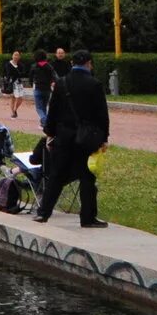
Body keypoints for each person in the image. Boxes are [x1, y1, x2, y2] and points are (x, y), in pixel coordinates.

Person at [34, 49, 108, 228]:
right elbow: (102, 114)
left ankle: (43, 213)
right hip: (86, 138)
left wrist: (50, 133)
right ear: (89, 63)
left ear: (72, 63)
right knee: (87, 178)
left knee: (56, 175)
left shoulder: (61, 83)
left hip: (63, 136)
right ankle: (87, 218)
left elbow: (53, 111)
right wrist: (103, 137)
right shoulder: (95, 84)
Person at [31, 49, 62, 129]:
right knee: (44, 106)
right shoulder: (49, 66)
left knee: (39, 108)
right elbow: (55, 76)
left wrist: (32, 82)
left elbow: (30, 77)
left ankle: (45, 122)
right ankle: (43, 124)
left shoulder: (34, 66)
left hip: (38, 88)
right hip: (47, 89)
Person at [1, 49, 26, 118]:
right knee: (13, 98)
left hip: (19, 83)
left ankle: (15, 110)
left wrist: (18, 74)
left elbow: (23, 73)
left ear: (19, 57)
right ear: (12, 56)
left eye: (17, 55)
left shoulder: (20, 65)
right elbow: (7, 73)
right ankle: (13, 113)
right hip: (11, 83)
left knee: (20, 98)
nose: (16, 56)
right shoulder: (8, 64)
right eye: (15, 55)